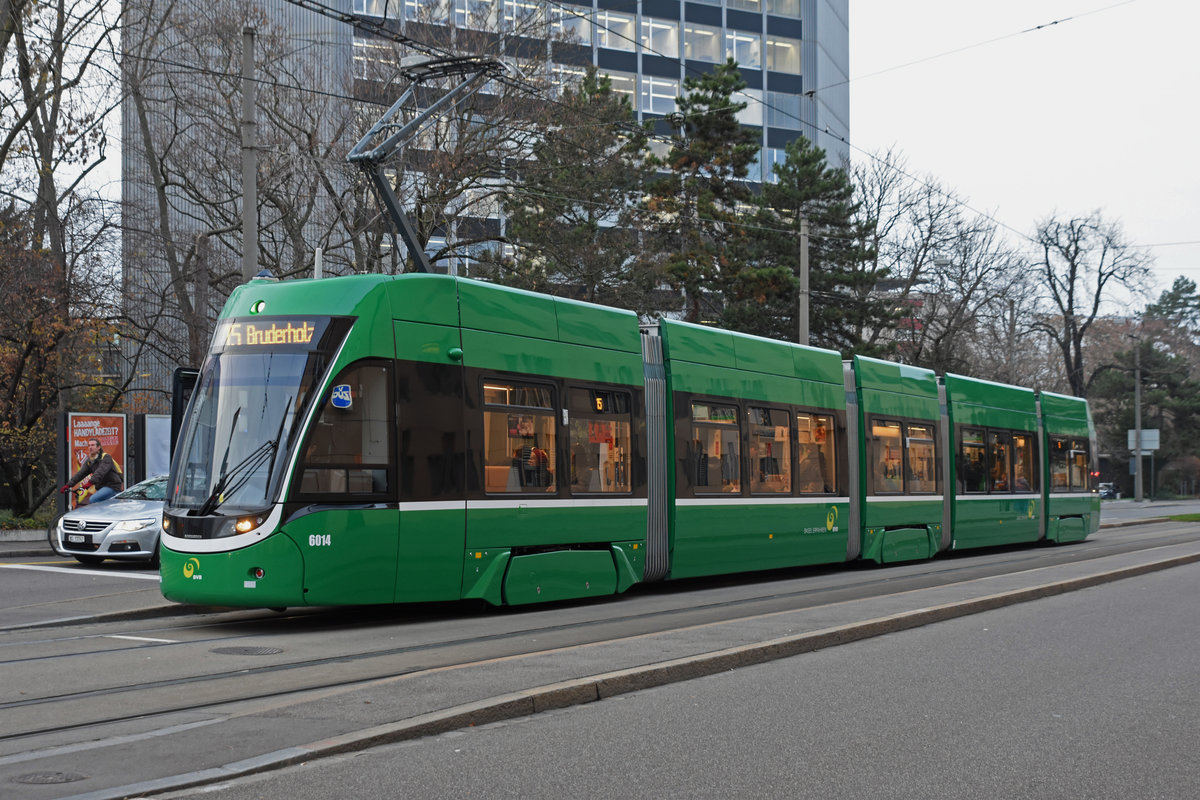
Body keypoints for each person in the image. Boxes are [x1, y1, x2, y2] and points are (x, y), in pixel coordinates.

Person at [62, 438, 123, 505]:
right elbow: (80, 474)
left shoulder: (105, 457)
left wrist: (89, 483)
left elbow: (100, 472)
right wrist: (68, 485)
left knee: (93, 499)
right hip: (101, 488)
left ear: (98, 447)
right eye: (89, 445)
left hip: (112, 487)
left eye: (92, 445)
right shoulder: (90, 461)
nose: (90, 447)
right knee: (101, 505)